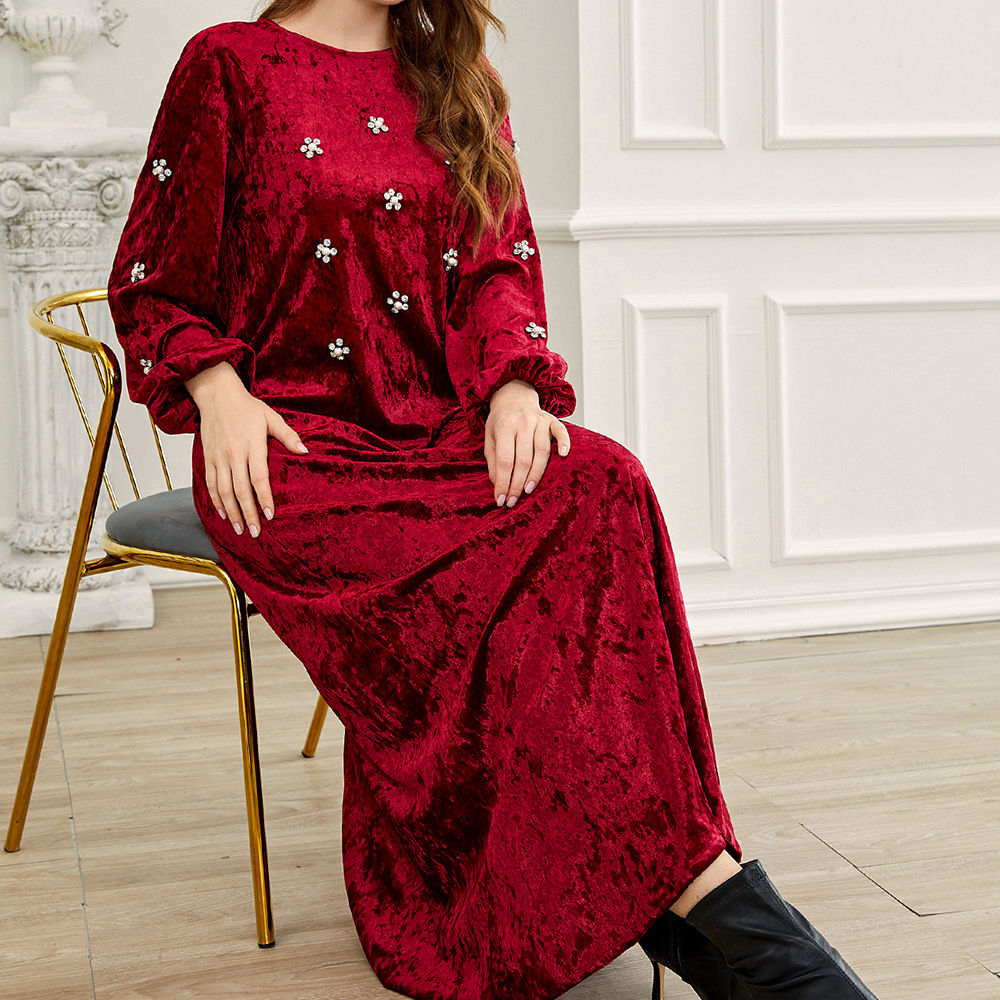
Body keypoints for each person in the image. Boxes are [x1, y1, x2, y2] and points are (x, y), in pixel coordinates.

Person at [107, 2, 881, 998]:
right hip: (295, 452)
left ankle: (698, 898)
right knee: (498, 581)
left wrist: (515, 383)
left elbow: (498, 266)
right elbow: (153, 279)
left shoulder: (454, 74)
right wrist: (216, 389)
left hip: (441, 430)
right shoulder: (229, 65)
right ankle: (727, 922)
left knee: (602, 481)